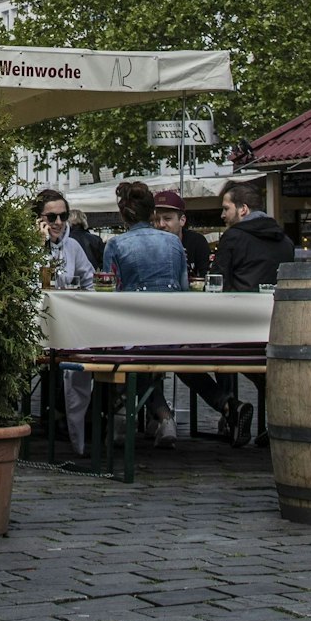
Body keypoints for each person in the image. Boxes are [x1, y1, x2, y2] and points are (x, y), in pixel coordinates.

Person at [180, 177, 296, 445]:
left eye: (226, 208)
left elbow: (217, 283)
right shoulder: (285, 240)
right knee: (261, 371)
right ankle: (276, 425)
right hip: (273, 332)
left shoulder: (233, 237)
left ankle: (229, 406)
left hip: (236, 332)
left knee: (183, 357)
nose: (222, 215)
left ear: (243, 209)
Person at [102, 180, 187, 447]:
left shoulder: (115, 245)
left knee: (120, 355)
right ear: (152, 213)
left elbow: (110, 290)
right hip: (171, 332)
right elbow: (184, 289)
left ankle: (124, 418)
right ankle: (163, 419)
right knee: (145, 359)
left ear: (123, 215)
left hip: (133, 330)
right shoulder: (173, 243)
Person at [35, 189, 95, 454]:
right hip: (36, 325)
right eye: (52, 217)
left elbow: (89, 281)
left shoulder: (73, 247)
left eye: (63, 215)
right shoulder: (29, 246)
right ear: (39, 219)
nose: (58, 222)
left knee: (82, 361)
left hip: (69, 323)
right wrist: (40, 247)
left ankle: (75, 429)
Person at [152, 188, 212, 279]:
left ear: (182, 220)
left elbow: (205, 277)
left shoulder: (197, 242)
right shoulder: (148, 246)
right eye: (156, 219)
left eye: (167, 219)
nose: (161, 224)